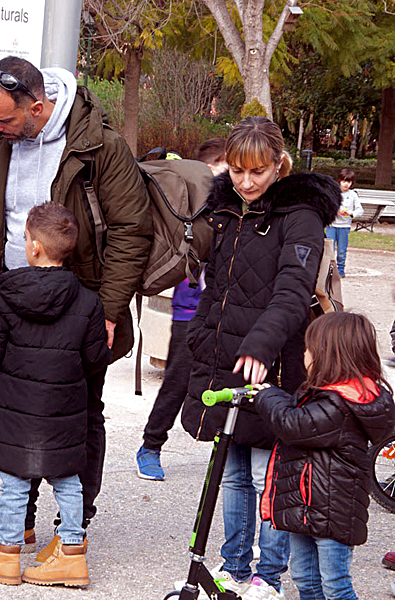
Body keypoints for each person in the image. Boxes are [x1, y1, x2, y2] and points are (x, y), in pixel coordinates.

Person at [0, 55, 152, 561]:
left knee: (80, 414)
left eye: (3, 120)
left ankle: (73, 531)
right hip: (13, 298)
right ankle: (19, 526)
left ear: (37, 107)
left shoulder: (100, 146)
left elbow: (131, 231)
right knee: (18, 410)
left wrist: (108, 310)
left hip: (79, 307)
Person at [180, 117, 341, 599]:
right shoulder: (226, 209)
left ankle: (267, 577)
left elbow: (293, 292)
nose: (246, 183)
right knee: (231, 471)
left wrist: (261, 344)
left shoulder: (301, 215)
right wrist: (200, 335)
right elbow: (215, 283)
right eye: (237, 171)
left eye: (258, 171)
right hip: (224, 355)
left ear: (279, 164)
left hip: (273, 360)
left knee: (265, 474)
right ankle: (233, 565)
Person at [0, 203, 110, 586]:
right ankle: (71, 553)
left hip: (15, 408)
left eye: (25, 237)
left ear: (35, 247)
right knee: (69, 480)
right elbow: (96, 360)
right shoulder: (88, 301)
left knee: (14, 481)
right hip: (65, 409)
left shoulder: (4, 295)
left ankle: (7, 554)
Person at [251, 312, 395, 600]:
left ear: (328, 355)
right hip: (305, 506)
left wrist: (268, 395)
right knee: (305, 579)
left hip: (332, 512)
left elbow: (293, 424)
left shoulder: (341, 403)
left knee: (336, 586)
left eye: (308, 349)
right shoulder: (326, 396)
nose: (304, 354)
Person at [136, 138, 227, 481]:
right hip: (190, 312)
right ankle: (150, 446)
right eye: (221, 170)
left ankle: (229, 451)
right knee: (177, 381)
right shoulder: (189, 207)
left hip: (225, 313)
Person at [326, 167, 363, 278]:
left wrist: (351, 213)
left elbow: (360, 210)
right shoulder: (333, 192)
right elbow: (327, 206)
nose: (346, 184)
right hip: (332, 225)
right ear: (339, 181)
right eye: (344, 181)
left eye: (349, 182)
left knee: (341, 250)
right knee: (330, 250)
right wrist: (336, 211)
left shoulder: (353, 195)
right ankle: (328, 270)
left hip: (344, 226)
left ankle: (340, 270)